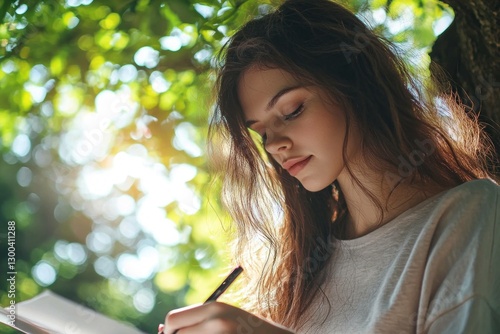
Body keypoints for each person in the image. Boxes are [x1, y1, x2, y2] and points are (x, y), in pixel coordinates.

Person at [162, 0, 500, 333]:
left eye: (291, 110)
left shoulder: (470, 214)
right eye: (261, 131)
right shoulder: (302, 268)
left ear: (356, 85)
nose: (273, 144)